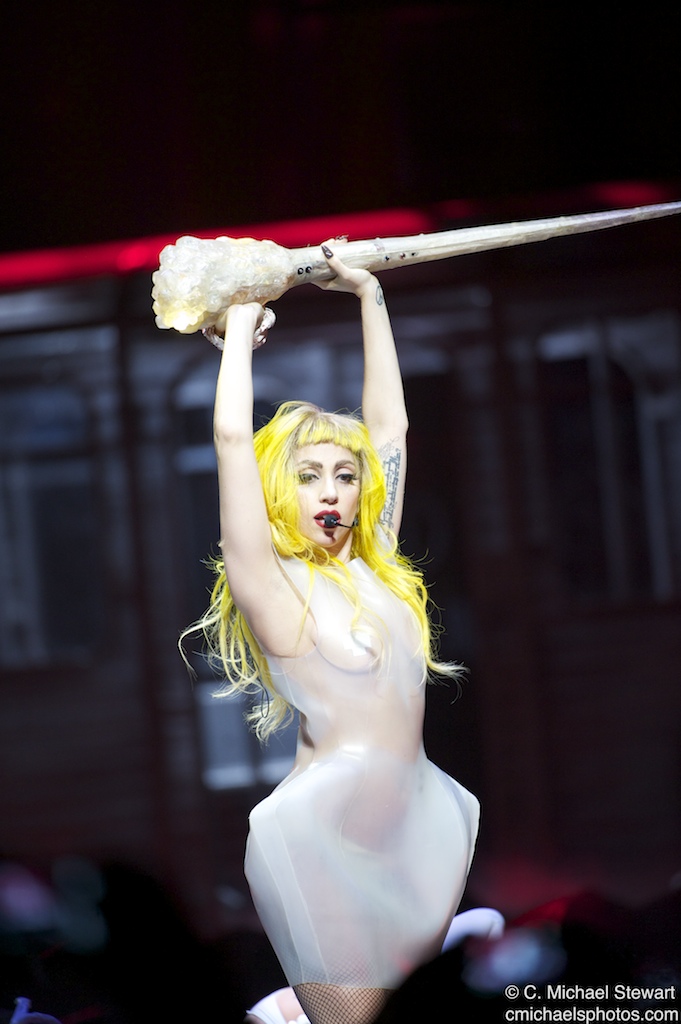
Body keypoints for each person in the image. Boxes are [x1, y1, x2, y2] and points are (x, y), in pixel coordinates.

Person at [185, 243, 480, 1024]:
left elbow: (391, 427)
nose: (330, 491)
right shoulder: (274, 587)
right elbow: (230, 442)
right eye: (308, 475)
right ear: (280, 489)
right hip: (319, 842)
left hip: (416, 827)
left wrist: (367, 296)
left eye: (344, 476)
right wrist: (240, 332)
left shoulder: (378, 566)